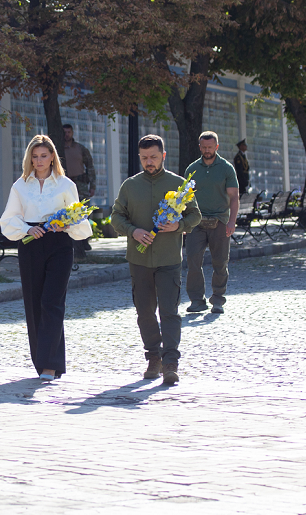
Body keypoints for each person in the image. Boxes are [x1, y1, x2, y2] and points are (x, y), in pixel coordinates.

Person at [1, 135, 93, 381]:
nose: (39, 160)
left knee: (52, 302)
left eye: (43, 155)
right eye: (35, 156)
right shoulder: (20, 185)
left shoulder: (65, 185)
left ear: (52, 156)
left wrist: (66, 226)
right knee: (33, 304)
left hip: (59, 245)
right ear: (29, 158)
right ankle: (41, 362)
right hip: (30, 243)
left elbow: (79, 218)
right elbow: (9, 218)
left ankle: (49, 366)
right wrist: (26, 229)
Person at [111, 135, 200, 385]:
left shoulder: (179, 185)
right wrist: (133, 231)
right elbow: (116, 217)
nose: (148, 162)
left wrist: (179, 225)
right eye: (144, 158)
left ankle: (171, 363)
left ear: (163, 155)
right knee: (145, 312)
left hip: (168, 258)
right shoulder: (130, 186)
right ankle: (153, 357)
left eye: (153, 157)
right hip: (138, 261)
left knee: (170, 312)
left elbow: (195, 216)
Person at [184, 131, 239, 315]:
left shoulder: (226, 168)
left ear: (217, 147)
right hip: (195, 222)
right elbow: (184, 197)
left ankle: (217, 299)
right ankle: (197, 300)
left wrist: (232, 221)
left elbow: (233, 197)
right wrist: (183, 222)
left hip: (220, 220)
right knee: (192, 260)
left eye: (210, 147)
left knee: (220, 262)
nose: (207, 150)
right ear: (200, 147)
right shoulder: (192, 168)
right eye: (204, 147)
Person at [62, 124, 96, 256]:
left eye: (69, 132)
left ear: (72, 133)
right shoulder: (58, 149)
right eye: (64, 132)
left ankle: (84, 240)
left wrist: (92, 186)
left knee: (84, 213)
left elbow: (90, 167)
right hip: (65, 184)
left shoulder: (80, 149)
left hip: (80, 184)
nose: (66, 135)